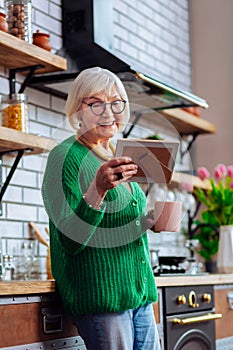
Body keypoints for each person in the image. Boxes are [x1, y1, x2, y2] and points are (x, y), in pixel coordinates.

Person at [42, 66, 161, 350]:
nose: (109, 112)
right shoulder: (65, 156)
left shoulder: (117, 155)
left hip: (140, 296)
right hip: (103, 299)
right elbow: (69, 240)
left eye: (116, 102)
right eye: (96, 103)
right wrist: (97, 189)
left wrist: (151, 221)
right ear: (78, 110)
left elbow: (115, 226)